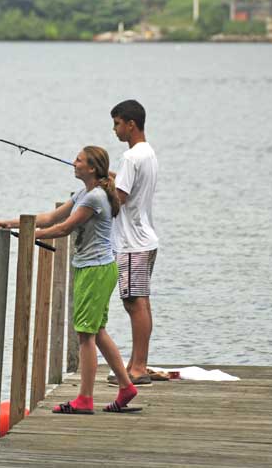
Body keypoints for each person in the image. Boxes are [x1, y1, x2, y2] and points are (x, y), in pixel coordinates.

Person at [0, 146, 139, 414]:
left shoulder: (95, 197)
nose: (73, 163)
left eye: (79, 160)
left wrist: (32, 236)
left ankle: (84, 399)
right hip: (96, 269)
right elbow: (51, 217)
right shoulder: (86, 193)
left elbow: (65, 228)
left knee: (85, 335)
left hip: (95, 270)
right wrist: (10, 224)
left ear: (92, 169)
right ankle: (126, 386)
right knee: (96, 330)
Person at [108, 99, 159, 386]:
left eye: (117, 123)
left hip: (132, 242)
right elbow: (130, 186)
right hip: (146, 238)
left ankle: (138, 368)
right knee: (141, 302)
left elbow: (121, 198)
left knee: (133, 303)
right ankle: (138, 363)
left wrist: (98, 188)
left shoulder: (130, 158)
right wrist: (111, 179)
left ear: (131, 124)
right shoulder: (148, 153)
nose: (115, 130)